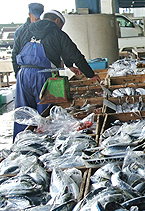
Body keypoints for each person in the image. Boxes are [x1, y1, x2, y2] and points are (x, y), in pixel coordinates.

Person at [13, 10, 100, 139]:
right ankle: (46, 144)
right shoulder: (57, 33)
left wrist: (18, 75)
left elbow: (14, 54)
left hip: (23, 75)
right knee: (47, 113)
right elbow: (75, 54)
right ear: (57, 21)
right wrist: (90, 74)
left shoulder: (24, 30)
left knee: (24, 114)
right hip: (44, 76)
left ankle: (21, 144)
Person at [12, 3, 44, 77]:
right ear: (29, 15)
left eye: (39, 19)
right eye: (36, 18)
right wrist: (17, 73)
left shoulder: (46, 29)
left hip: (43, 73)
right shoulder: (20, 31)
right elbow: (15, 53)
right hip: (25, 74)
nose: (38, 21)